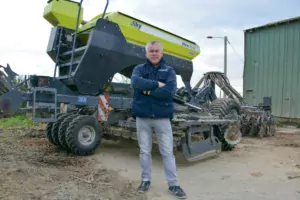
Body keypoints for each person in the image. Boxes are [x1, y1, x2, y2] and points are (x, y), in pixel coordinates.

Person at [130, 41, 187, 199]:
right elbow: (135, 82)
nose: (154, 53)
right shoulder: (139, 69)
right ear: (146, 53)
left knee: (167, 152)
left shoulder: (169, 71)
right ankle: (145, 180)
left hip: (162, 119)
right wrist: (156, 85)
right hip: (143, 117)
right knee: (144, 151)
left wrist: (146, 92)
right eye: (151, 51)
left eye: (156, 51)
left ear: (162, 53)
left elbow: (168, 92)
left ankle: (173, 184)